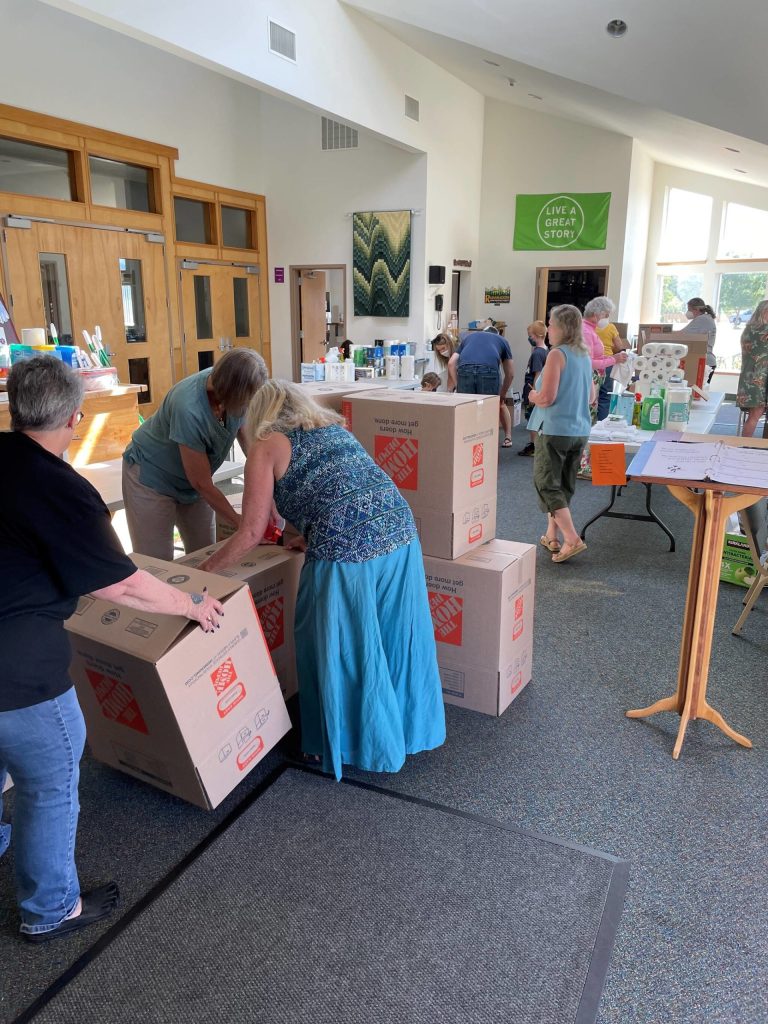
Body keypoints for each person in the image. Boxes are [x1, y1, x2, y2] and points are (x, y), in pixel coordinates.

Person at [0, 357, 224, 943]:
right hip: (20, 673)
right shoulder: (60, 487)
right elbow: (118, 583)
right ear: (76, 415)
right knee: (49, 783)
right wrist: (193, 606)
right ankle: (49, 909)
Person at [198, 380, 446, 780]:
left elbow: (249, 532)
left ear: (260, 416)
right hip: (400, 534)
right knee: (397, 639)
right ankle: (405, 729)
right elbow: (344, 490)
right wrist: (307, 534)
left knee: (336, 647)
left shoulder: (265, 448)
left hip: (348, 551)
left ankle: (342, 744)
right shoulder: (332, 430)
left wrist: (202, 574)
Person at [122, 348, 268, 559]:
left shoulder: (235, 391)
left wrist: (269, 494)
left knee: (204, 551)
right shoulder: (188, 406)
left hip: (193, 482)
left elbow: (251, 447)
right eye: (248, 399)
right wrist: (243, 525)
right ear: (231, 392)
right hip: (152, 477)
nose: (249, 404)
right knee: (158, 563)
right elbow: (202, 484)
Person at [528, 305, 595, 564]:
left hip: (555, 430)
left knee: (546, 484)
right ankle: (551, 535)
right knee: (563, 484)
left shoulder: (557, 355)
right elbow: (590, 396)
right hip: (579, 430)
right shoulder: (583, 354)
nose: (548, 329)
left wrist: (533, 395)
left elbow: (546, 397)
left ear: (561, 328)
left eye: (551, 325)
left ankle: (571, 538)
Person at [579, 297, 629, 476]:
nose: (607, 319)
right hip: (589, 379)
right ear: (597, 314)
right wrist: (613, 359)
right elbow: (588, 362)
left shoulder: (590, 330)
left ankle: (588, 464)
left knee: (591, 421)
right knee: (587, 421)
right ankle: (582, 465)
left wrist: (612, 360)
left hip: (595, 378)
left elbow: (596, 359)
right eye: (606, 315)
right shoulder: (585, 331)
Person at [447, 325, 515, 447]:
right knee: (488, 413)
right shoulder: (503, 341)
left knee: (466, 411)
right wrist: (502, 395)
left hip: (464, 370)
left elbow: (451, 363)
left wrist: (458, 385)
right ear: (497, 334)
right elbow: (510, 374)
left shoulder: (469, 338)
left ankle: (464, 449)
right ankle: (487, 451)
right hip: (488, 371)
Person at [736, 300, 768, 437]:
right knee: (755, 416)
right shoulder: (763, 331)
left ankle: (744, 446)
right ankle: (744, 446)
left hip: (749, 378)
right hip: (759, 379)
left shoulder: (749, 329)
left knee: (753, 416)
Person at [518, 320, 548, 456]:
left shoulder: (537, 353)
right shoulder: (546, 351)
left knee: (532, 420)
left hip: (532, 390)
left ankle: (534, 446)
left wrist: (535, 393)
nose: (529, 338)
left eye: (531, 335)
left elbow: (538, 374)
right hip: (536, 390)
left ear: (538, 335)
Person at [679, 296, 717, 383]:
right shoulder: (705, 318)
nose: (687, 312)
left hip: (705, 362)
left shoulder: (702, 319)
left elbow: (682, 335)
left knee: (697, 391)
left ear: (696, 309)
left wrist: (663, 334)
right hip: (707, 360)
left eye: (689, 309)